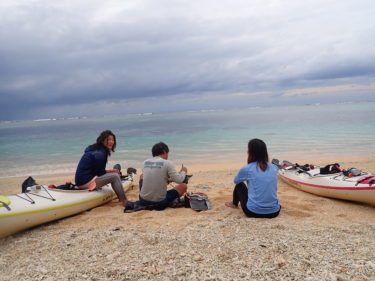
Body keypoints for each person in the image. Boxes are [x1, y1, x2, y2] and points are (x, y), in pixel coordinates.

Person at [225, 138, 281, 218]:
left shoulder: (247, 169)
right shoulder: (274, 167)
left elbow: (236, 181)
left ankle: (234, 204)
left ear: (250, 152)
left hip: (253, 212)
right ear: (265, 152)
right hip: (274, 212)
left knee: (240, 185)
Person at [75, 130, 127, 206]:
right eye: (109, 139)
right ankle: (124, 200)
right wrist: (112, 173)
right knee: (115, 176)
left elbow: (96, 170)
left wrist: (110, 170)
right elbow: (100, 173)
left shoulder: (95, 149)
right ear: (102, 140)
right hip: (86, 182)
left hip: (81, 180)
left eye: (113, 140)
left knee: (114, 174)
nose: (111, 142)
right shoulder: (101, 153)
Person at [139, 142, 187, 209]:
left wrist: (169, 180)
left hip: (143, 201)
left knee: (142, 176)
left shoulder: (145, 162)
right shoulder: (167, 163)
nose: (167, 155)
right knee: (183, 186)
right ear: (164, 151)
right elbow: (180, 180)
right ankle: (170, 202)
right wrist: (183, 171)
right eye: (167, 153)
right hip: (160, 203)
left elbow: (155, 177)